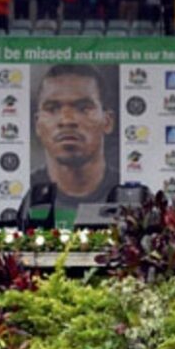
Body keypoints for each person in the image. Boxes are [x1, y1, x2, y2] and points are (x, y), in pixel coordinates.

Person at [23, 64, 118, 228]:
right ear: (38, 125)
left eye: (83, 108)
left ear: (107, 121)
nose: (67, 121)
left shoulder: (129, 194)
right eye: (52, 108)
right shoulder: (26, 194)